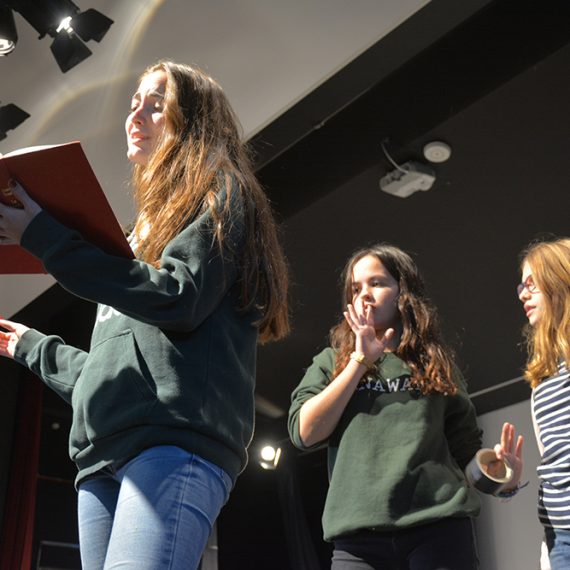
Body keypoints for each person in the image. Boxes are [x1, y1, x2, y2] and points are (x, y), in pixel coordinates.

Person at [0, 60, 289, 570]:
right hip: (101, 455)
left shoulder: (221, 192)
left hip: (171, 443)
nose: (136, 116)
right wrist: (30, 346)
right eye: (134, 105)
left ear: (194, 122)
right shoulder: (137, 234)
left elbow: (178, 297)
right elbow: (109, 370)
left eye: (156, 105)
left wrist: (45, 237)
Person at [288, 243, 523, 570]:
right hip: (358, 540)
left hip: (438, 528)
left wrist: (501, 478)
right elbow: (304, 433)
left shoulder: (436, 364)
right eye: (355, 288)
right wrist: (359, 362)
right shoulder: (332, 362)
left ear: (403, 291)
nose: (364, 294)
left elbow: (465, 453)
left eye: (376, 283)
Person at [518, 237, 570, 570]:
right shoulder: (542, 378)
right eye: (520, 286)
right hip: (560, 535)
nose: (522, 295)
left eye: (531, 284)